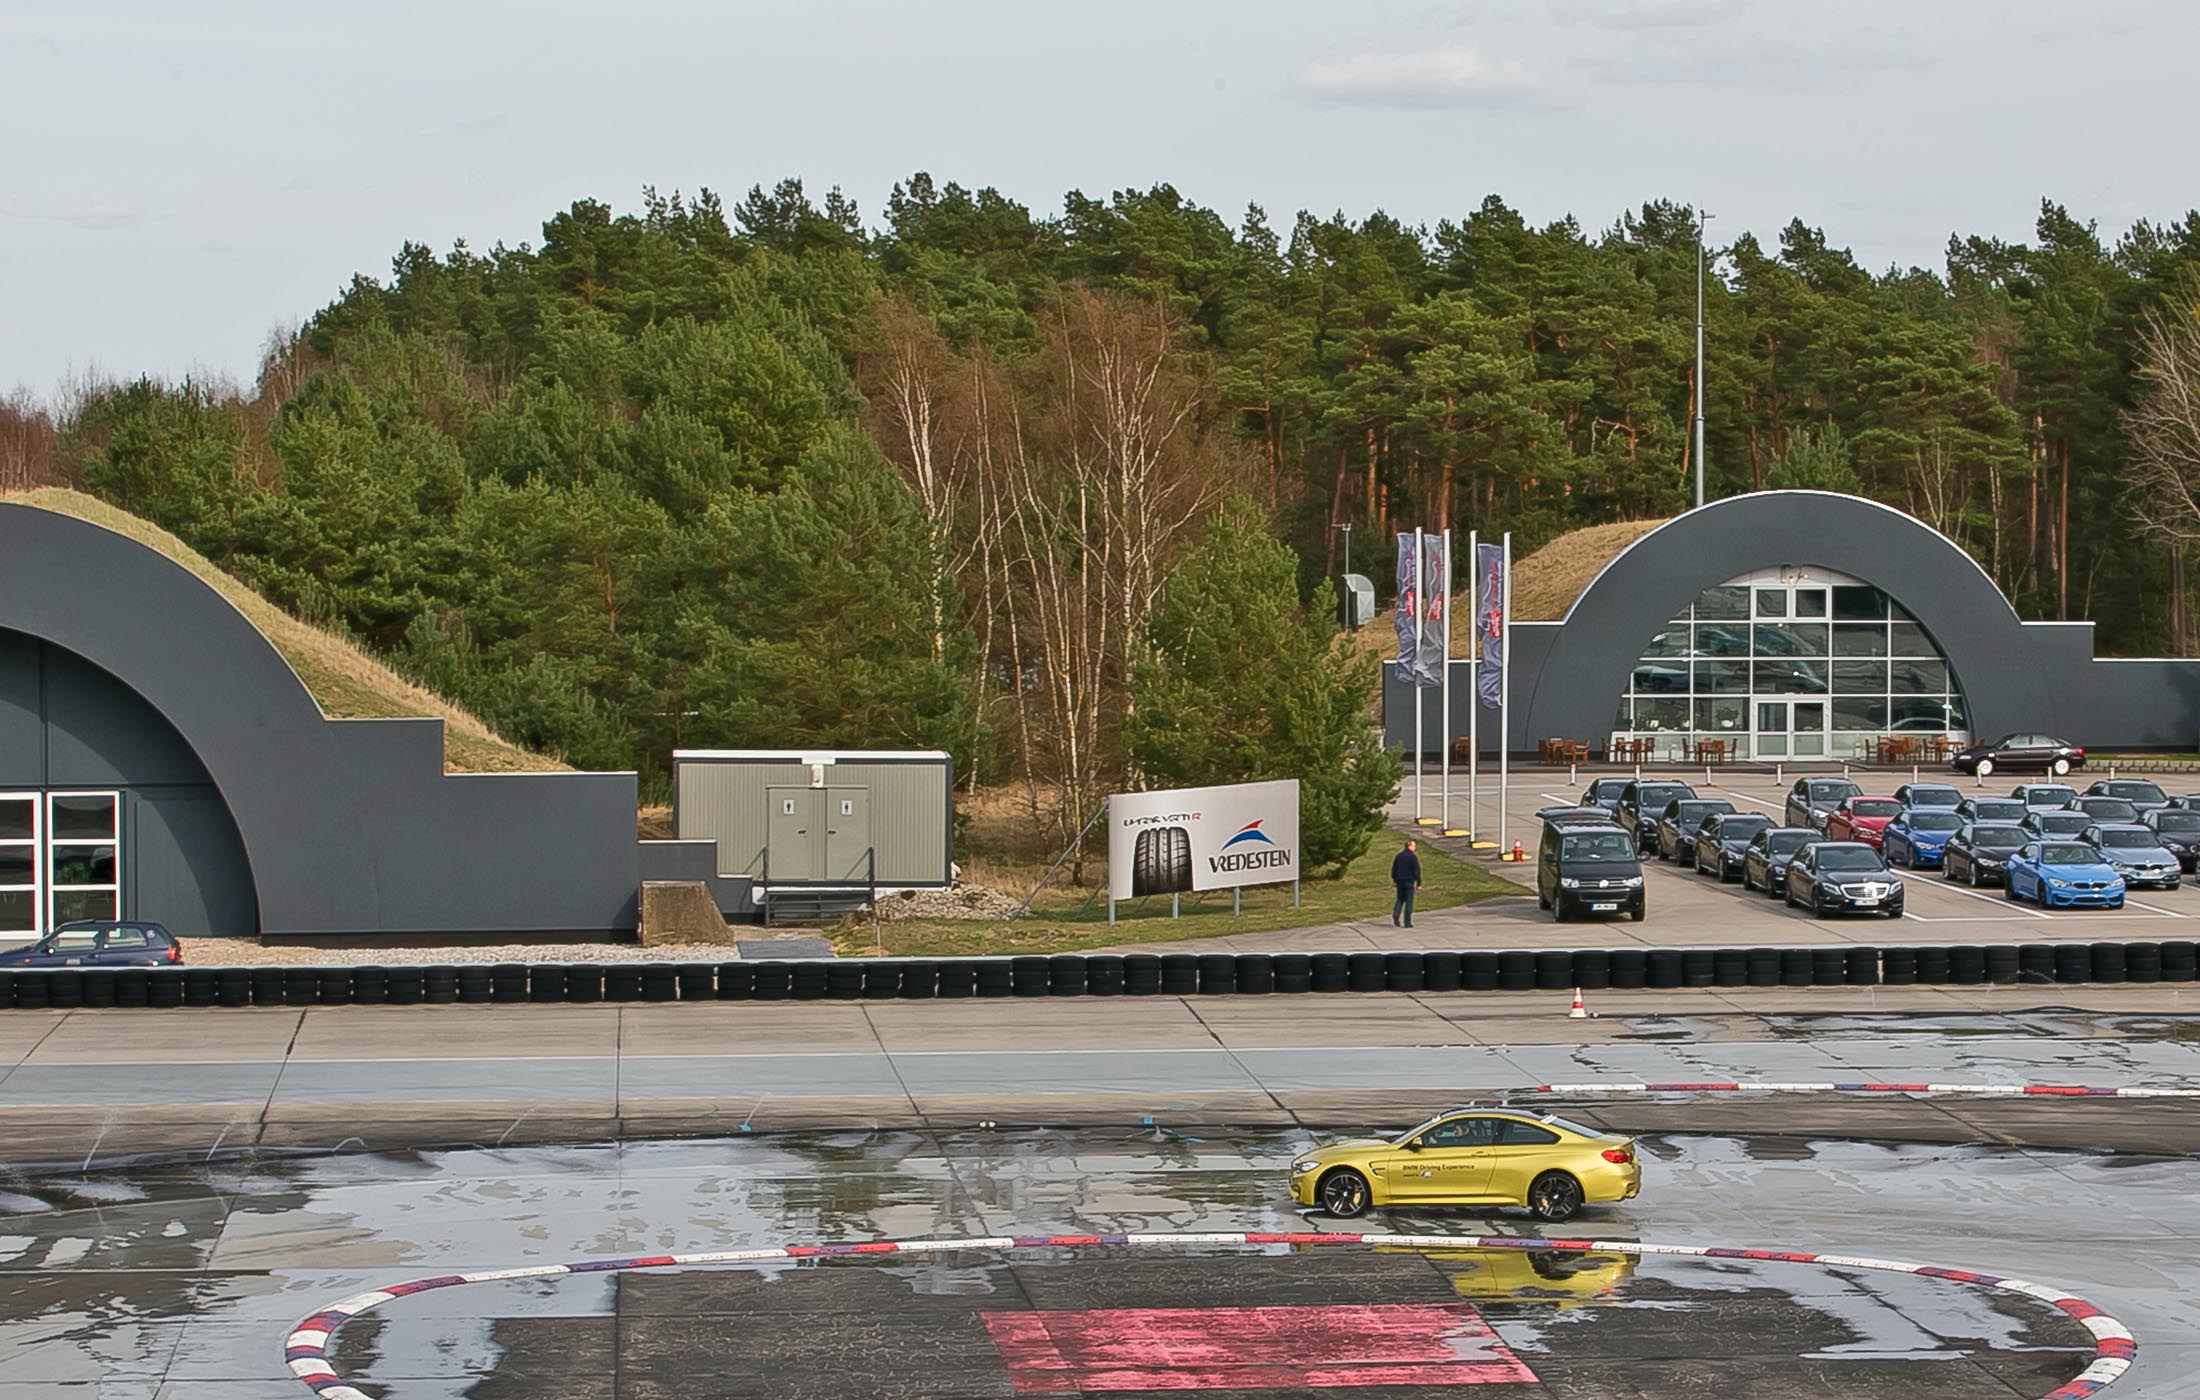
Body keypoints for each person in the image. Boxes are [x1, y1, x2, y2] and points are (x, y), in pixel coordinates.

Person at [1390, 839, 1423, 927]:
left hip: (1399, 881)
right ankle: (1407, 922)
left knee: (1400, 898)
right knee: (1409, 901)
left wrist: (1394, 879)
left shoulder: (1399, 856)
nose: (1415, 848)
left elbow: (1394, 869)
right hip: (1409, 881)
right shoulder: (1412, 857)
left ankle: (1396, 913)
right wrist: (1419, 883)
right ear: (1410, 846)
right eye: (1414, 846)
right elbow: (1416, 871)